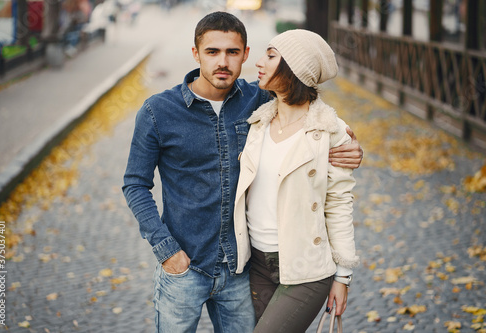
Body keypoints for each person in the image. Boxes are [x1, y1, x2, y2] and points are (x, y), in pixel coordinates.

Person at [122, 12, 362, 332]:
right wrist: (167, 251)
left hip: (240, 272)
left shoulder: (258, 99)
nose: (223, 62)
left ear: (245, 55)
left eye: (232, 52)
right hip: (184, 268)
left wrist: (351, 145)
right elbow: (135, 184)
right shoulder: (158, 111)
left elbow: (308, 110)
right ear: (195, 54)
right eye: (212, 52)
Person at [234, 29, 359, 332]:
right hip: (257, 264)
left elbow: (339, 204)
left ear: (294, 68)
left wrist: (342, 278)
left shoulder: (330, 132)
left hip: (307, 269)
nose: (260, 62)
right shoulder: (258, 121)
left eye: (271, 55)